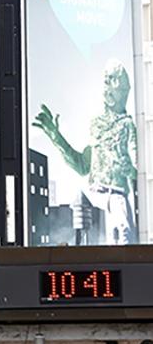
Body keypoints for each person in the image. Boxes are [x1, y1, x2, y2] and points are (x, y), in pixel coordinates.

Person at [33, 59, 138, 245]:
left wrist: (129, 168)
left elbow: (138, 168)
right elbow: (82, 165)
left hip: (116, 193)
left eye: (113, 82)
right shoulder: (97, 126)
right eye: (107, 81)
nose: (109, 88)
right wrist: (56, 137)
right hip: (93, 192)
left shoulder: (128, 125)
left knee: (124, 232)